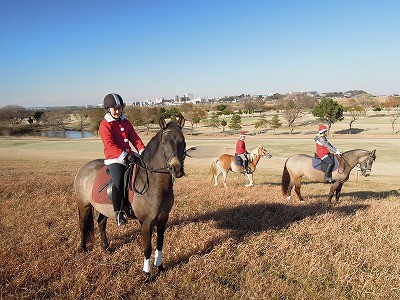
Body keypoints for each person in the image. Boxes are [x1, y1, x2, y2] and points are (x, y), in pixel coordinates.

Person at [99, 93, 145, 226]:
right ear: (108, 109)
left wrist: (142, 150)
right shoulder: (105, 125)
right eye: (115, 109)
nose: (118, 111)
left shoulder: (125, 121)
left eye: (120, 108)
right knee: (118, 182)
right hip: (115, 159)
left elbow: (134, 138)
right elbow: (109, 144)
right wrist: (124, 155)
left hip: (129, 155)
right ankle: (119, 212)